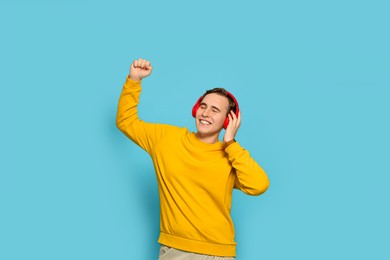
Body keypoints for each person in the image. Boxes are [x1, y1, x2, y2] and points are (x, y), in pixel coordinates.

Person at [116, 58, 270, 259]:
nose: (205, 113)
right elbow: (126, 122)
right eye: (203, 106)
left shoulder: (230, 156)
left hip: (218, 253)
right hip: (173, 250)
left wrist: (231, 143)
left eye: (215, 110)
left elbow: (258, 185)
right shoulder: (165, 138)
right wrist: (134, 80)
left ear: (228, 120)